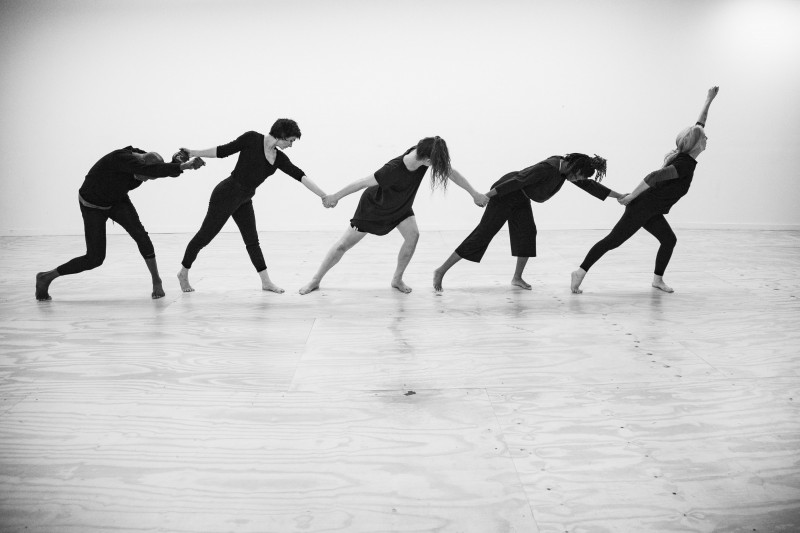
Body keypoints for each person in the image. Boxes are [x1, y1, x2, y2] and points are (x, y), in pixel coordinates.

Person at [570, 86, 720, 294]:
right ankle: (579, 272)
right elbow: (653, 176)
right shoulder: (684, 164)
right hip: (643, 206)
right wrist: (632, 196)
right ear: (695, 145)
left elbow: (700, 124)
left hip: (652, 209)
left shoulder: (685, 155)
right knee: (613, 241)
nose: (707, 139)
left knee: (669, 240)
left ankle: (657, 280)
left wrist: (709, 99)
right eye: (704, 138)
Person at [298, 136, 488, 295]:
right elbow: (362, 182)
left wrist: (474, 193)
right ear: (427, 160)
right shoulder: (393, 169)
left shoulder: (422, 152)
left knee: (413, 236)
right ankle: (315, 280)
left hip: (400, 206)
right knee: (342, 246)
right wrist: (334, 197)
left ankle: (397, 279)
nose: (438, 167)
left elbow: (451, 173)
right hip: (374, 207)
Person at [433, 153, 624, 291]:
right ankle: (441, 271)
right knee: (483, 234)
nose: (577, 180)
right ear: (574, 167)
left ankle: (517, 278)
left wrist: (619, 196)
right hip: (506, 193)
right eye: (578, 176)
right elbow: (517, 181)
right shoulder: (547, 168)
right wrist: (486, 196)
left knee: (527, 232)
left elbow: (590, 186)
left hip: (521, 197)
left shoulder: (566, 169)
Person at [35, 147, 205, 301]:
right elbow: (151, 170)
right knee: (94, 258)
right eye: (145, 177)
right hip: (92, 206)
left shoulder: (143, 162)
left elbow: (159, 170)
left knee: (141, 236)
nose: (145, 180)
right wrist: (184, 166)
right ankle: (46, 277)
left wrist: (178, 162)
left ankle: (156, 280)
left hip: (117, 200)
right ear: (140, 165)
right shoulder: (121, 159)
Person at [177, 119, 326, 294]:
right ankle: (183, 272)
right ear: (282, 135)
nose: (291, 145)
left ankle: (266, 282)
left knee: (252, 241)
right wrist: (193, 152)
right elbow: (222, 151)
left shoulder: (279, 158)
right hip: (226, 194)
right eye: (291, 140)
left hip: (244, 199)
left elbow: (300, 175)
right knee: (204, 237)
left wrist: (323, 196)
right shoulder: (252, 138)